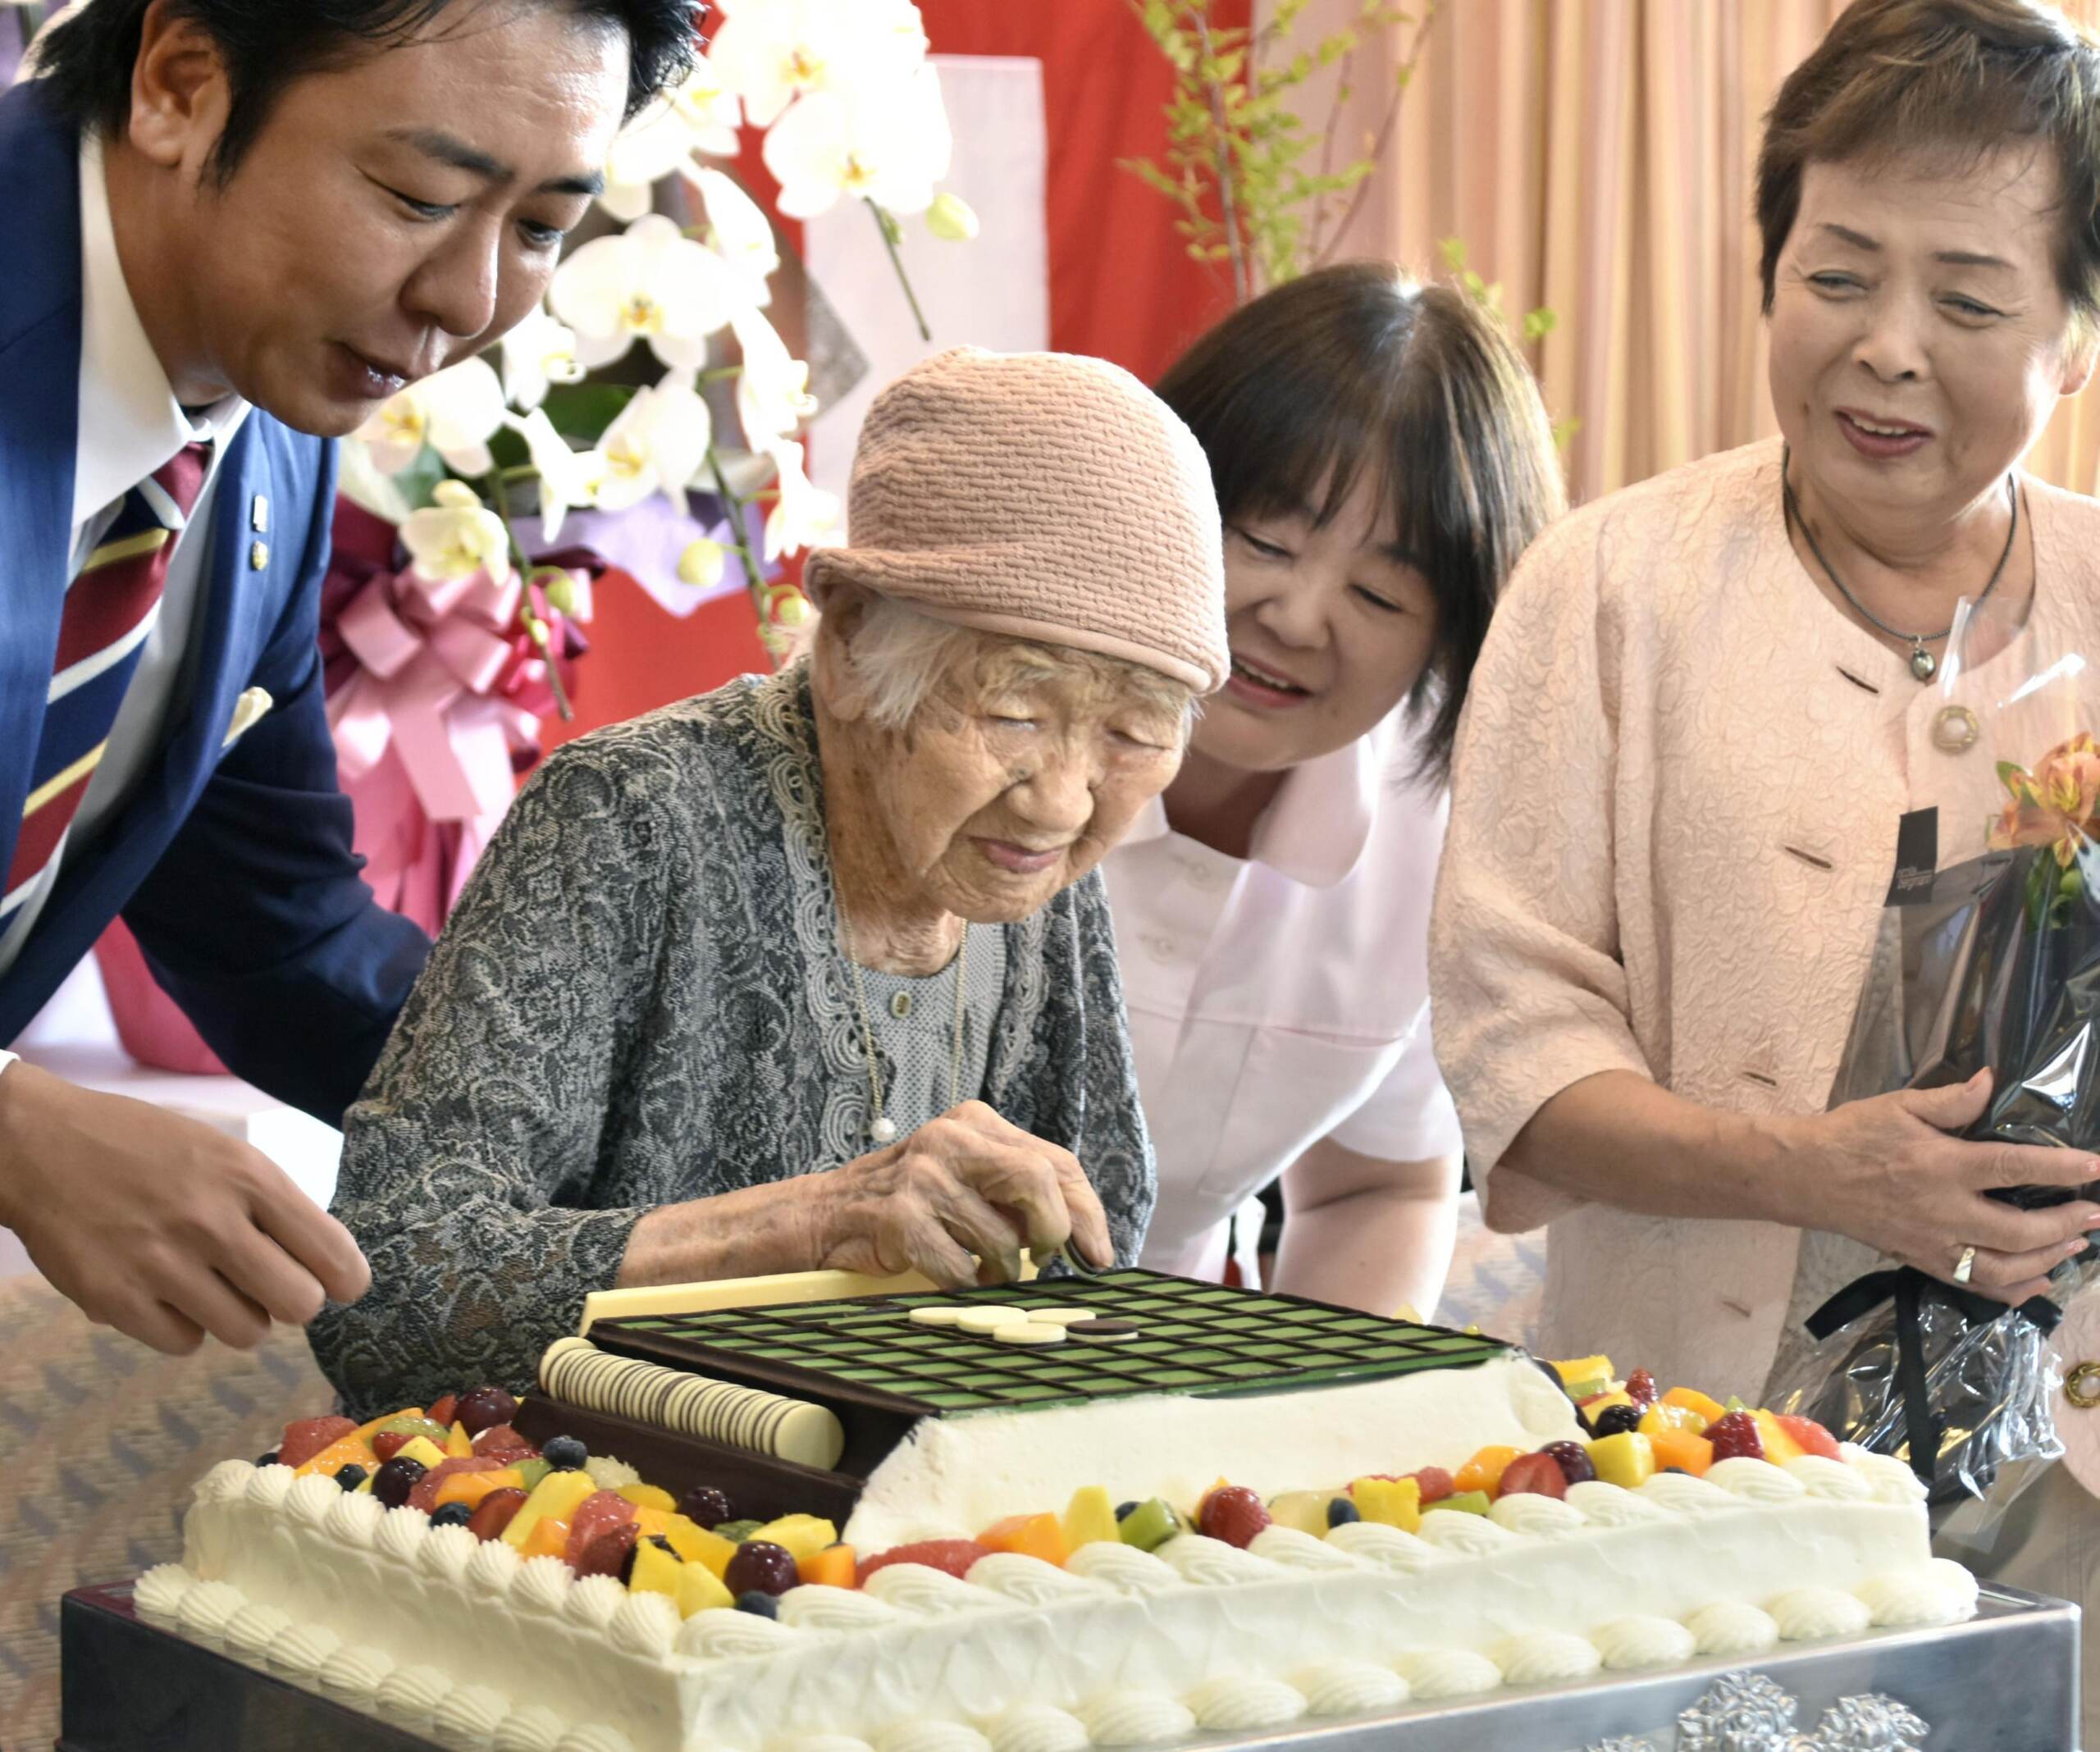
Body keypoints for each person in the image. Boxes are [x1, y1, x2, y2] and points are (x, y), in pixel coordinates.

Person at [1428, 0, 2100, 1724]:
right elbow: (1515, 1060)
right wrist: (1817, 1172)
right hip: (1686, 1462)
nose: (1885, 348)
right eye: (1835, 275)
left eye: (1967, 302)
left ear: (2076, 339)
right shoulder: (1610, 591)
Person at [308, 346, 1226, 1414]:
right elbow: (386, 1284)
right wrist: (811, 1222)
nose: (1061, 803)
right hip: (593, 1500)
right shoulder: (631, 815)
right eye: (1012, 715)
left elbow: (1092, 1261)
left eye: (1134, 734)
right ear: (849, 643)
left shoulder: (1025, 866)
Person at [0, 0, 694, 1357]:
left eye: (541, 227)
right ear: (180, 83)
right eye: (419, 197)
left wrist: (693, 1139)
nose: (470, 302)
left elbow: (277, 935)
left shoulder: (267, 417)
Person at [1105, 264, 1564, 1316]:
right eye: (1264, 542)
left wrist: (1309, 1404)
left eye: (1377, 593)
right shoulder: (970, 732)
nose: (1297, 616)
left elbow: (1375, 1186)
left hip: (1151, 1362)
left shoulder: (1438, 831)